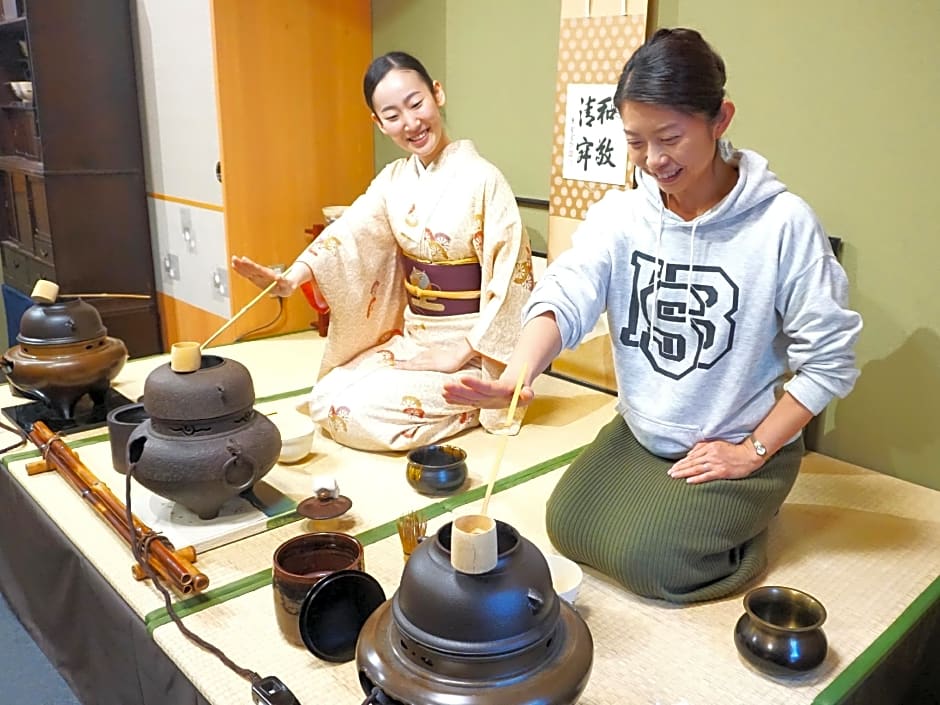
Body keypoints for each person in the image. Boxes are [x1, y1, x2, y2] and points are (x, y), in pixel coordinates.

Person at [444, 28, 862, 603]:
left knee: (652, 564)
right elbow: (567, 291)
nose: (653, 161)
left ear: (721, 119)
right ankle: (688, 513)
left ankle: (749, 525)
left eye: (670, 138)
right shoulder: (623, 215)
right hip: (644, 431)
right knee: (566, 525)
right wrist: (517, 377)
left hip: (738, 440)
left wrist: (753, 451)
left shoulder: (783, 224)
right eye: (635, 142)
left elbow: (830, 364)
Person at [232, 52, 533, 452]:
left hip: (472, 349)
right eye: (392, 115)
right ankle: (448, 409)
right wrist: (292, 278)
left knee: (357, 408)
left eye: (416, 103)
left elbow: (512, 279)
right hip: (412, 339)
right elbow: (349, 233)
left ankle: (473, 405)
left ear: (437, 94)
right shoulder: (394, 180)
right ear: (378, 123)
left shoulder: (484, 180)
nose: (410, 123)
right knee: (326, 396)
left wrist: (462, 350)